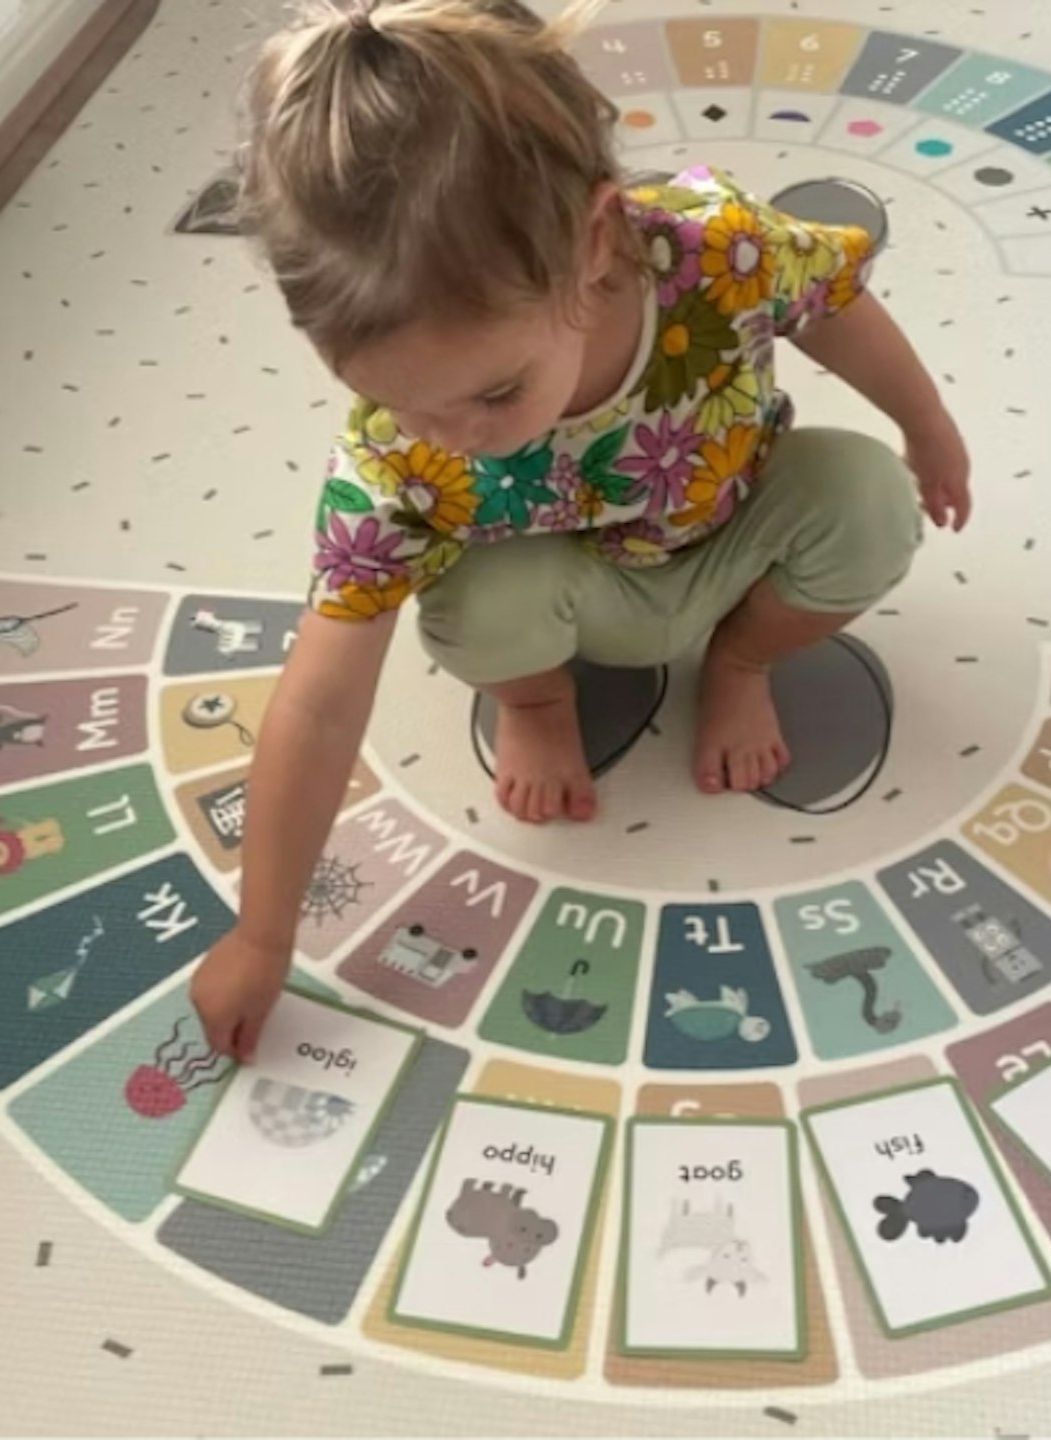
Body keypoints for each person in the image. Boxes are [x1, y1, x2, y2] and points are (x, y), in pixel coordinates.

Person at [191, 0, 971, 1060]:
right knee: (467, 605)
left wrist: (927, 427)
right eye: (394, 398)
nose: (448, 440)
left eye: (491, 392)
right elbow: (322, 701)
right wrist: (262, 932)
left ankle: (739, 664)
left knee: (867, 498)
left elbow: (831, 303)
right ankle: (541, 700)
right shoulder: (400, 455)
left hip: (733, 534)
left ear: (597, 243)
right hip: (569, 589)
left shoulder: (716, 248)